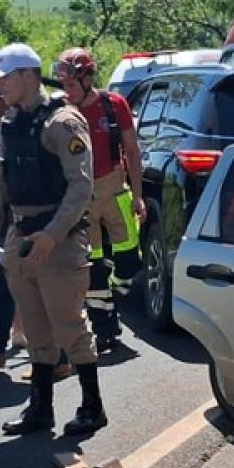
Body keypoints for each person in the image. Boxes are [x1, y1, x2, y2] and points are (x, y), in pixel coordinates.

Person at [0, 43, 107, 435]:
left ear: (27, 76)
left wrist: (53, 234)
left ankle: (92, 405)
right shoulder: (12, 123)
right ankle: (41, 409)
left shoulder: (63, 123)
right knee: (35, 328)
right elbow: (1, 182)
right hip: (22, 235)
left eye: (5, 78)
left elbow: (80, 187)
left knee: (69, 325)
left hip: (60, 239)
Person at [52, 48, 146, 353]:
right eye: (63, 85)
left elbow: (132, 151)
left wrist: (138, 197)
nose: (66, 91)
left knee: (129, 261)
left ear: (87, 78)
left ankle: (117, 295)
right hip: (80, 198)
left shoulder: (113, 105)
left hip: (115, 189)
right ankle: (105, 330)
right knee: (91, 269)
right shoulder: (61, 113)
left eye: (71, 84)